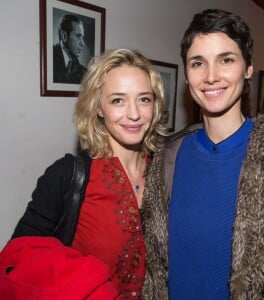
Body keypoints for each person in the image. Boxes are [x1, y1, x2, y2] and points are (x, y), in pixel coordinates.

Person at [142, 8, 264, 299]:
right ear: (187, 76)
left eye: (226, 60)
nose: (211, 76)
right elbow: (155, 271)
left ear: (248, 67)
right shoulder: (167, 159)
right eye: (198, 63)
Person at [11, 48, 167, 299]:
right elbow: (18, 260)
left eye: (144, 99)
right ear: (98, 108)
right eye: (118, 100)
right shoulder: (67, 175)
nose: (135, 113)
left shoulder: (167, 171)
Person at [53, 14, 87, 84]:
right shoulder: (49, 59)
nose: (82, 43)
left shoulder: (83, 71)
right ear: (64, 36)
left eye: (82, 37)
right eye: (78, 36)